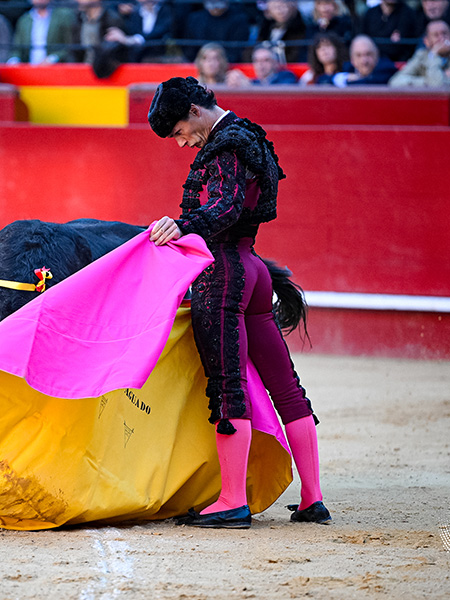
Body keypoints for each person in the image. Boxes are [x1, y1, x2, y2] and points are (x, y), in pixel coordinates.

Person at [146, 76, 329, 528]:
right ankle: (313, 497)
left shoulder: (225, 145)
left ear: (194, 110)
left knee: (229, 387)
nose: (182, 143)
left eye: (179, 132)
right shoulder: (249, 135)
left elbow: (225, 208)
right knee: (286, 387)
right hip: (255, 270)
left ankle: (231, 500)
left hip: (225, 274)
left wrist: (184, 226)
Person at [389, 20, 450, 114]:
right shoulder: (421, 55)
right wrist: (427, 82)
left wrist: (434, 56)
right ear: (426, 41)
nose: (442, 38)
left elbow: (439, 88)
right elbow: (395, 82)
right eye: (436, 35)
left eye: (445, 33)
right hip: (435, 111)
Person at [7, 0, 78, 64]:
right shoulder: (24, 20)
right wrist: (14, 60)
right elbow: (17, 48)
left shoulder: (63, 16)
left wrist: (52, 59)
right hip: (29, 67)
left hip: (55, 68)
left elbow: (69, 46)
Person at [181, 0, 251, 64]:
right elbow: (189, 48)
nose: (215, 5)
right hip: (199, 64)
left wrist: (219, 62)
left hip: (229, 64)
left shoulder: (239, 19)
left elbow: (236, 50)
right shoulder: (194, 19)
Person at [103, 0, 173, 63]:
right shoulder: (133, 14)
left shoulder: (167, 10)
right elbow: (130, 31)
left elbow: (160, 32)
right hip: (136, 58)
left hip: (161, 56)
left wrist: (129, 40)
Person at [331, 34, 396, 86]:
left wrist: (357, 78)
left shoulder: (386, 68)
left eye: (368, 54)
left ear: (376, 56)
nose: (364, 61)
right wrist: (343, 77)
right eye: (358, 55)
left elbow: (372, 82)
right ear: (352, 60)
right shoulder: (346, 68)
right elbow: (326, 80)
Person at [225, 40, 298, 86]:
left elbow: (278, 94)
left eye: (266, 60)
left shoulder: (287, 76)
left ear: (275, 63)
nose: (260, 64)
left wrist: (249, 87)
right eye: (257, 61)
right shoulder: (254, 82)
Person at [72, 0, 123, 64]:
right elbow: (72, 51)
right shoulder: (77, 19)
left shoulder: (112, 20)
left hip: (101, 67)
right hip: (80, 66)